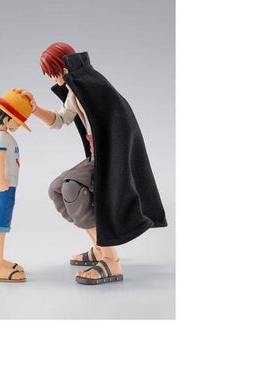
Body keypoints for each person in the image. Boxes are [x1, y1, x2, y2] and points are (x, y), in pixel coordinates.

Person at [14, 42, 167, 285]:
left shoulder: (94, 86)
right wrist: (35, 109)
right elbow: (59, 120)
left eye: (53, 72)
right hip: (97, 157)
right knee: (57, 189)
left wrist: (114, 160)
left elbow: (121, 123)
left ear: (64, 67)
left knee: (72, 189)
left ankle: (111, 260)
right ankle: (98, 248)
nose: (52, 78)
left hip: (111, 158)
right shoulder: (75, 92)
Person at [0, 90, 32, 282]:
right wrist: (1, 180)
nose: (18, 126)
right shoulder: (1, 138)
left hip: (8, 184)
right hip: (3, 185)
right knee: (0, 222)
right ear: (6, 118)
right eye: (17, 122)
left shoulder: (3, 136)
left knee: (3, 221)